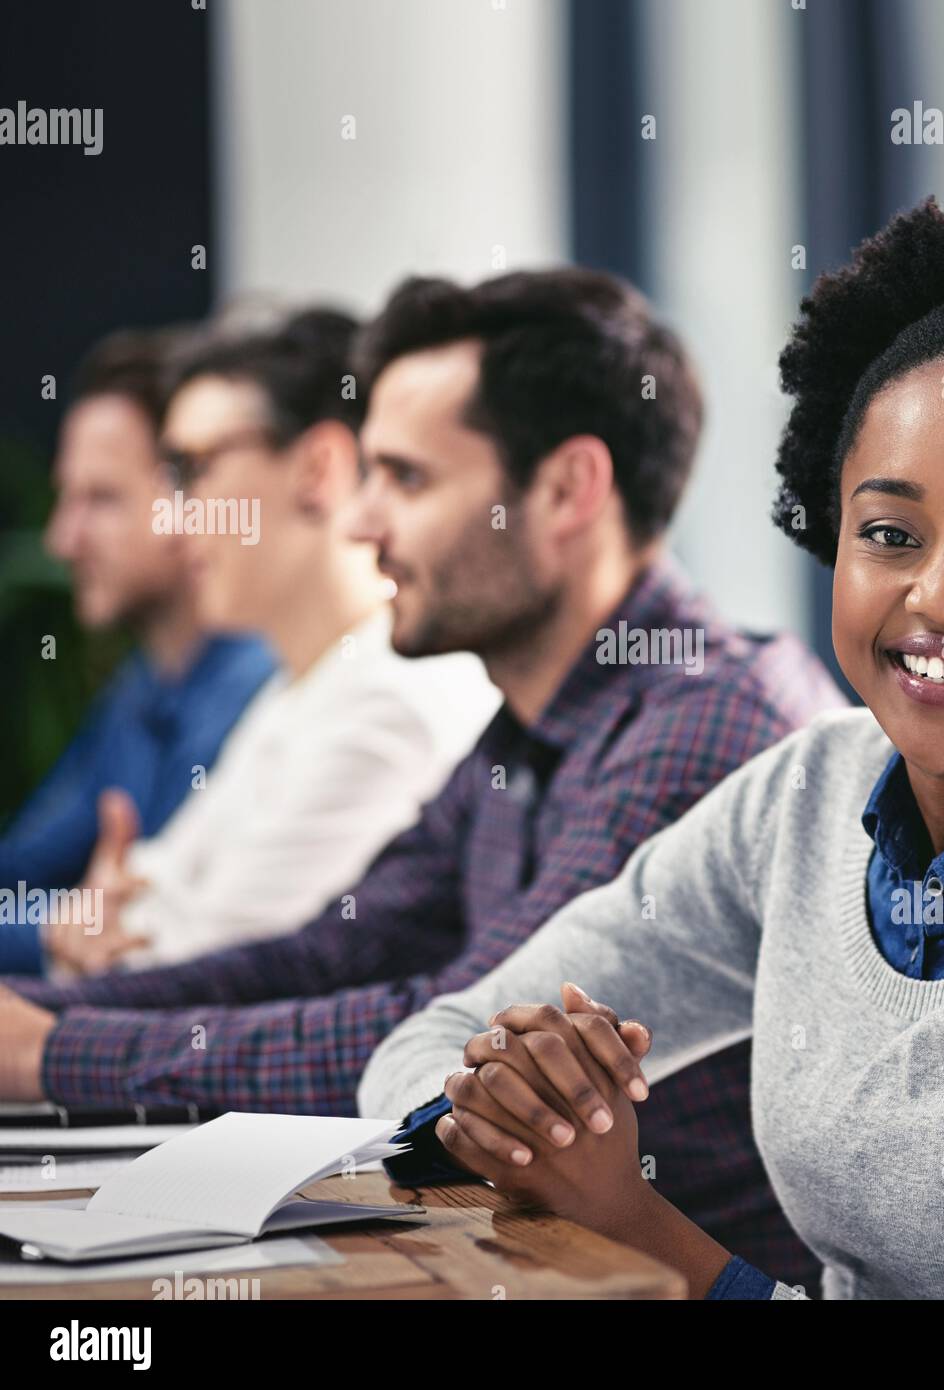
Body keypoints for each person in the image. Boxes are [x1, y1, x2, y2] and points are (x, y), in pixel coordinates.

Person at [357, 192, 944, 1301]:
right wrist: (500, 1105)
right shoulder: (804, 797)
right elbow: (430, 1050)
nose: (940, 596)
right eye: (889, 533)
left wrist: (629, 1217)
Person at [0, 268, 845, 1287]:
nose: (361, 523)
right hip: (516, 1262)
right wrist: (41, 1016)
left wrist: (51, 1053)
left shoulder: (703, 719)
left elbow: (460, 1027)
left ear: (568, 489)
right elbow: (329, 955)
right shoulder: (521, 727)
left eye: (405, 479)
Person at [41, 307, 499, 975]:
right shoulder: (299, 687)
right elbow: (136, 912)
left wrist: (104, 941)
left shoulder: (388, 704)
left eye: (191, 468)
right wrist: (96, 936)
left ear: (316, 469)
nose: (171, 521)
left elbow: (197, 979)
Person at [0, 328, 276, 975]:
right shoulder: (143, 687)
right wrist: (55, 925)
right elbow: (19, 876)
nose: (62, 538)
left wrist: (69, 925)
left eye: (101, 499)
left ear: (194, 494)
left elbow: (142, 936)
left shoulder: (259, 694)